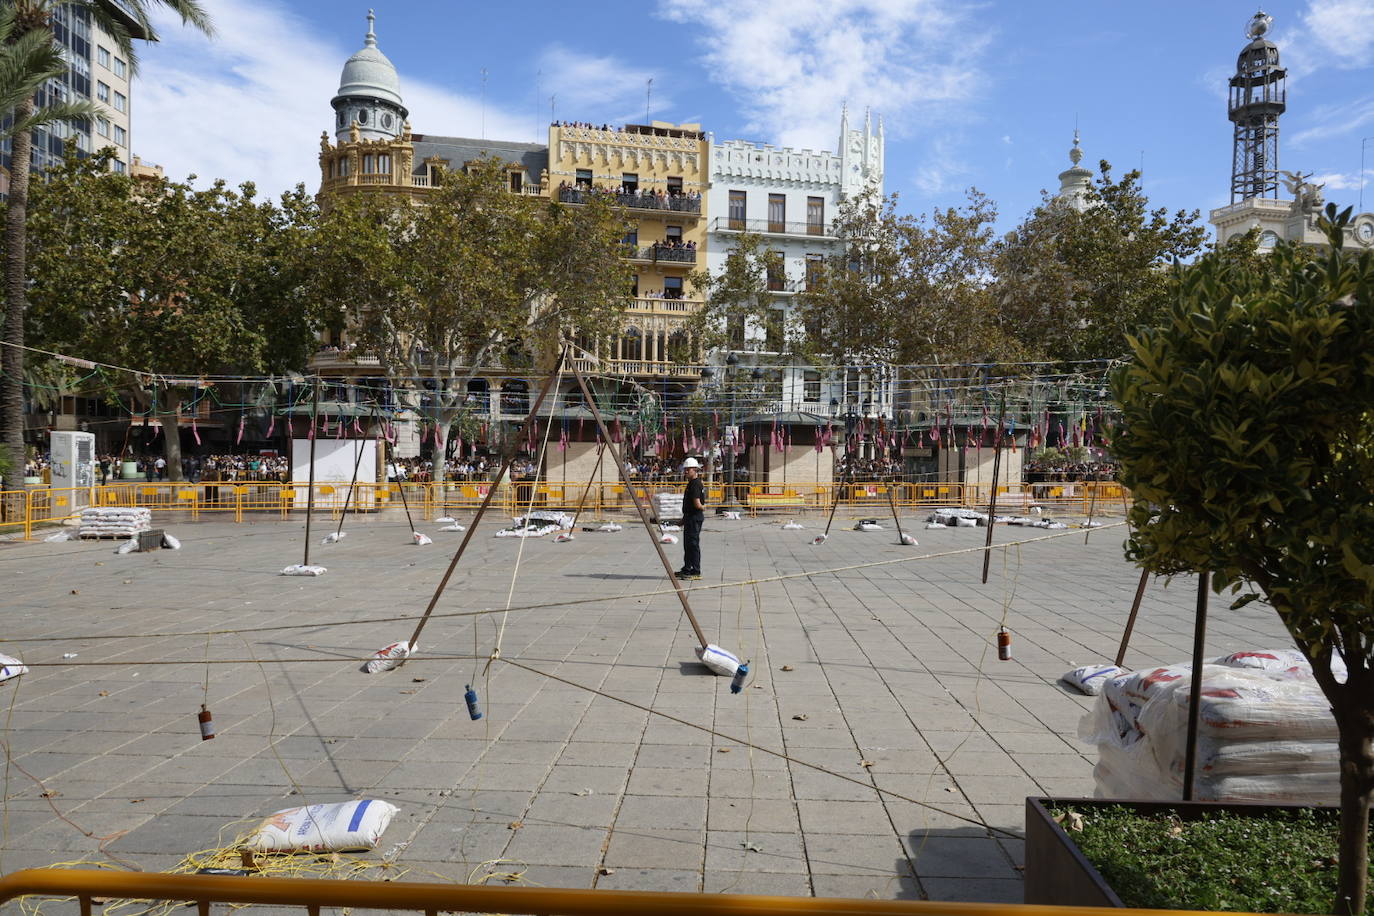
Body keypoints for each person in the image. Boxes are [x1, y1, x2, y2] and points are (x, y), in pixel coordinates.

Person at [676, 457, 706, 580]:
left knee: (693, 544)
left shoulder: (695, 484)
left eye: (688, 469)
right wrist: (683, 519)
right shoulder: (692, 483)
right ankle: (687, 568)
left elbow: (697, 504)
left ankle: (696, 571)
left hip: (694, 517)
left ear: (695, 470)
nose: (686, 472)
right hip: (689, 517)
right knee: (687, 545)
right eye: (685, 469)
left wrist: (704, 507)